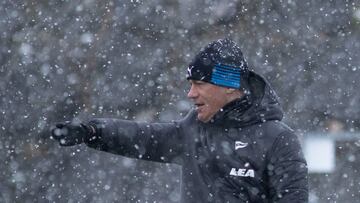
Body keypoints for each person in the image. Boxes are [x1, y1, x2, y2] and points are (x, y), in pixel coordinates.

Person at [51, 39, 308, 202]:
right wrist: (92, 131)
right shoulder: (194, 130)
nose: (190, 93)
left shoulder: (278, 139)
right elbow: (143, 137)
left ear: (229, 86)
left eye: (199, 84)